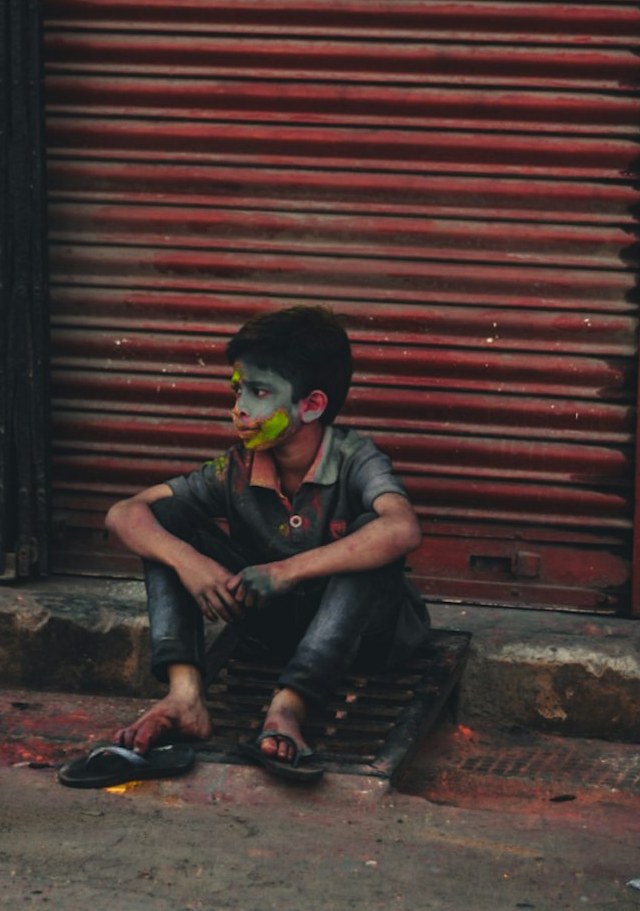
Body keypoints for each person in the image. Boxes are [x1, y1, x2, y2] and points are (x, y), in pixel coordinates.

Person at [102, 305, 430, 783]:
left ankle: (288, 709)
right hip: (275, 627)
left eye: (259, 393)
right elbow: (123, 512)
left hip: (367, 637)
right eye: (238, 390)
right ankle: (185, 696)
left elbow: (402, 529)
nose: (240, 408)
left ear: (311, 406)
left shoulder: (355, 457)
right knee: (166, 520)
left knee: (371, 535)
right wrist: (188, 561)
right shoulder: (235, 468)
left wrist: (285, 571)